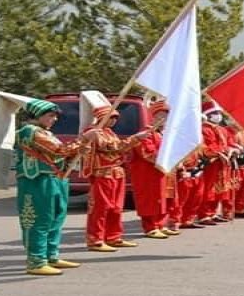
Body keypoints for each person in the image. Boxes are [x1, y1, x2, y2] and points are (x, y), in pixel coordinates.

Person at [14, 98, 85, 275]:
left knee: (56, 219)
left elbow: (62, 155)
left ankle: (51, 256)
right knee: (38, 219)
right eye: (50, 116)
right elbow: (57, 151)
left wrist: (77, 151)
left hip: (56, 178)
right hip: (36, 180)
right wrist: (83, 140)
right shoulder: (28, 131)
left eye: (55, 116)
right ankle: (36, 261)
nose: (54, 119)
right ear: (37, 115)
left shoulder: (46, 132)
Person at [80, 104, 150, 251]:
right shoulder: (92, 132)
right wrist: (134, 138)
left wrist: (133, 141)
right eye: (110, 117)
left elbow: (121, 148)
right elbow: (111, 147)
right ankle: (95, 239)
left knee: (116, 208)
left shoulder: (110, 133)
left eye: (115, 118)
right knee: (100, 208)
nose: (113, 121)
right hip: (102, 174)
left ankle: (113, 237)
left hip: (117, 173)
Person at [129, 100, 172, 239]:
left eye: (165, 116)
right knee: (149, 199)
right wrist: (163, 158)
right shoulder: (146, 132)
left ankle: (160, 225)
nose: (163, 119)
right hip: (147, 172)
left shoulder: (163, 133)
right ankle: (150, 227)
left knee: (162, 197)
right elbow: (147, 152)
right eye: (159, 116)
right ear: (152, 117)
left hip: (161, 171)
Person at [197, 102, 235, 225]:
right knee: (209, 189)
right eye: (214, 113)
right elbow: (206, 146)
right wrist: (219, 153)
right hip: (211, 164)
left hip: (223, 164)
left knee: (219, 189)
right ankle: (204, 215)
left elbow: (229, 143)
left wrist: (232, 150)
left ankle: (212, 212)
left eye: (218, 113)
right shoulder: (204, 129)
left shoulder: (223, 129)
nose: (218, 116)